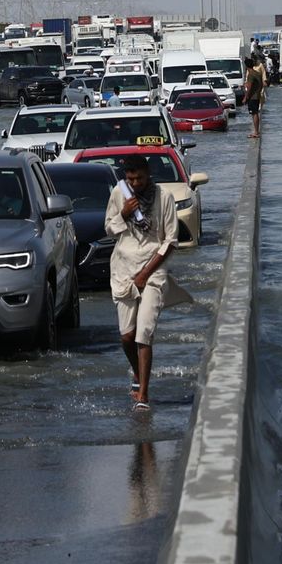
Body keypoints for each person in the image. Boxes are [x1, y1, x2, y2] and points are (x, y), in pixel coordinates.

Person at [105, 153, 176, 411]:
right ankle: (137, 372)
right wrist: (123, 214)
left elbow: (170, 241)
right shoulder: (119, 193)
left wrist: (146, 273)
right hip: (124, 270)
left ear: (148, 175)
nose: (135, 183)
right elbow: (109, 229)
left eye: (139, 178)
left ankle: (143, 395)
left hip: (153, 270)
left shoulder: (164, 197)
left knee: (144, 333)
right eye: (130, 178)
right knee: (127, 337)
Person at [244, 53, 267, 138]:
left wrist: (245, 97)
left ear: (246, 66)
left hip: (252, 97)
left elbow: (249, 87)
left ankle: (256, 132)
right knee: (255, 113)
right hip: (257, 95)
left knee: (254, 114)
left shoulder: (250, 74)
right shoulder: (257, 73)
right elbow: (261, 84)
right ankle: (256, 131)